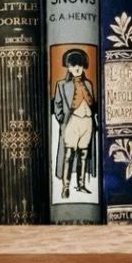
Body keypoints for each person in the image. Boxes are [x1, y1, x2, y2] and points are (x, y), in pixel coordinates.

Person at [51, 48, 97, 197]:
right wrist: (62, 120)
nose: (77, 68)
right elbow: (57, 104)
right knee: (68, 155)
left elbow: (92, 103)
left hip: (87, 121)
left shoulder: (88, 84)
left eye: (80, 65)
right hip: (72, 121)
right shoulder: (62, 85)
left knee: (83, 154)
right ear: (69, 67)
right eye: (74, 65)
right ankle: (65, 187)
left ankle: (81, 184)